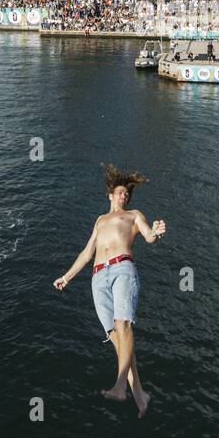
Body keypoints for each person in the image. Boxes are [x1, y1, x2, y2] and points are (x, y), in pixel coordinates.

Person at [54, 163, 166, 418]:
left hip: (122, 269)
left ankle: (120, 386)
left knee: (123, 325)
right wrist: (66, 277)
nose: (123, 196)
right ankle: (139, 392)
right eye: (119, 192)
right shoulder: (100, 220)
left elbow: (148, 237)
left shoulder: (134, 215)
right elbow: (86, 252)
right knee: (116, 337)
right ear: (110, 195)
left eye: (126, 194)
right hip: (98, 277)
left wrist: (157, 234)